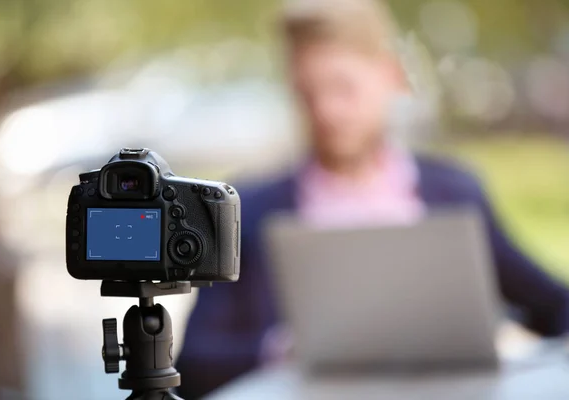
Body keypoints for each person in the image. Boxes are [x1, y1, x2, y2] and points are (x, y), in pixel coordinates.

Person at [176, 0, 569, 398]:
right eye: (307, 93)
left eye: (343, 88)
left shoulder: (454, 194)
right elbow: (191, 364)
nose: (326, 110)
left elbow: (554, 303)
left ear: (391, 76)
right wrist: (281, 350)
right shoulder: (250, 210)